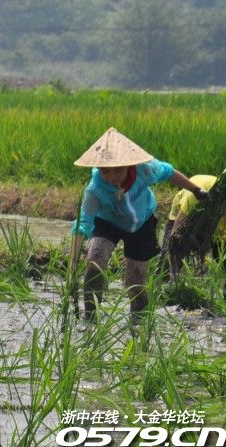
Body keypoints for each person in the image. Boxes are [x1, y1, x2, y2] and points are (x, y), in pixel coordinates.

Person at [70, 128, 209, 325]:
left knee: (135, 282)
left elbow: (170, 173)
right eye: (105, 170)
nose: (112, 176)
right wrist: (72, 269)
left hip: (142, 223)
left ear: (129, 164)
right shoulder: (95, 189)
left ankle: (139, 325)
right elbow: (83, 224)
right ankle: (90, 318)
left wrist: (195, 190)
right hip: (107, 221)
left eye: (118, 169)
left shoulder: (145, 170)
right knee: (94, 261)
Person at [167, 175, 226, 301]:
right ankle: (169, 293)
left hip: (219, 231)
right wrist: (173, 277)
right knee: (173, 258)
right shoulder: (200, 196)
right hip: (193, 218)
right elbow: (175, 237)